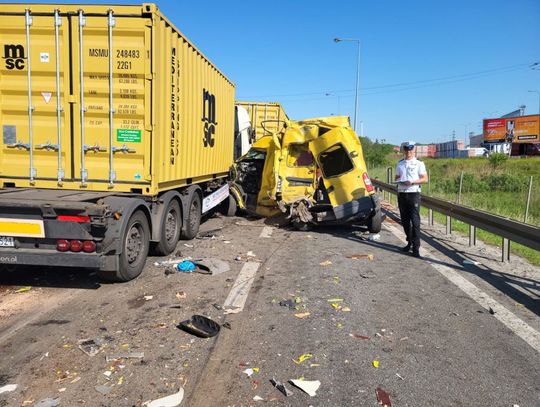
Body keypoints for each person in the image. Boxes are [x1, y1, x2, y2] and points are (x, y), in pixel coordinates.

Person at [395, 141, 428, 258]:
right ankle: (409, 242)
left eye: (410, 150)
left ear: (414, 150)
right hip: (402, 193)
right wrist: (400, 180)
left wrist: (413, 181)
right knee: (404, 221)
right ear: (404, 151)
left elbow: (425, 179)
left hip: (413, 193)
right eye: (406, 150)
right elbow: (397, 177)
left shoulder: (419, 163)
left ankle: (416, 247)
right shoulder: (400, 164)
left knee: (415, 222)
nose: (408, 152)